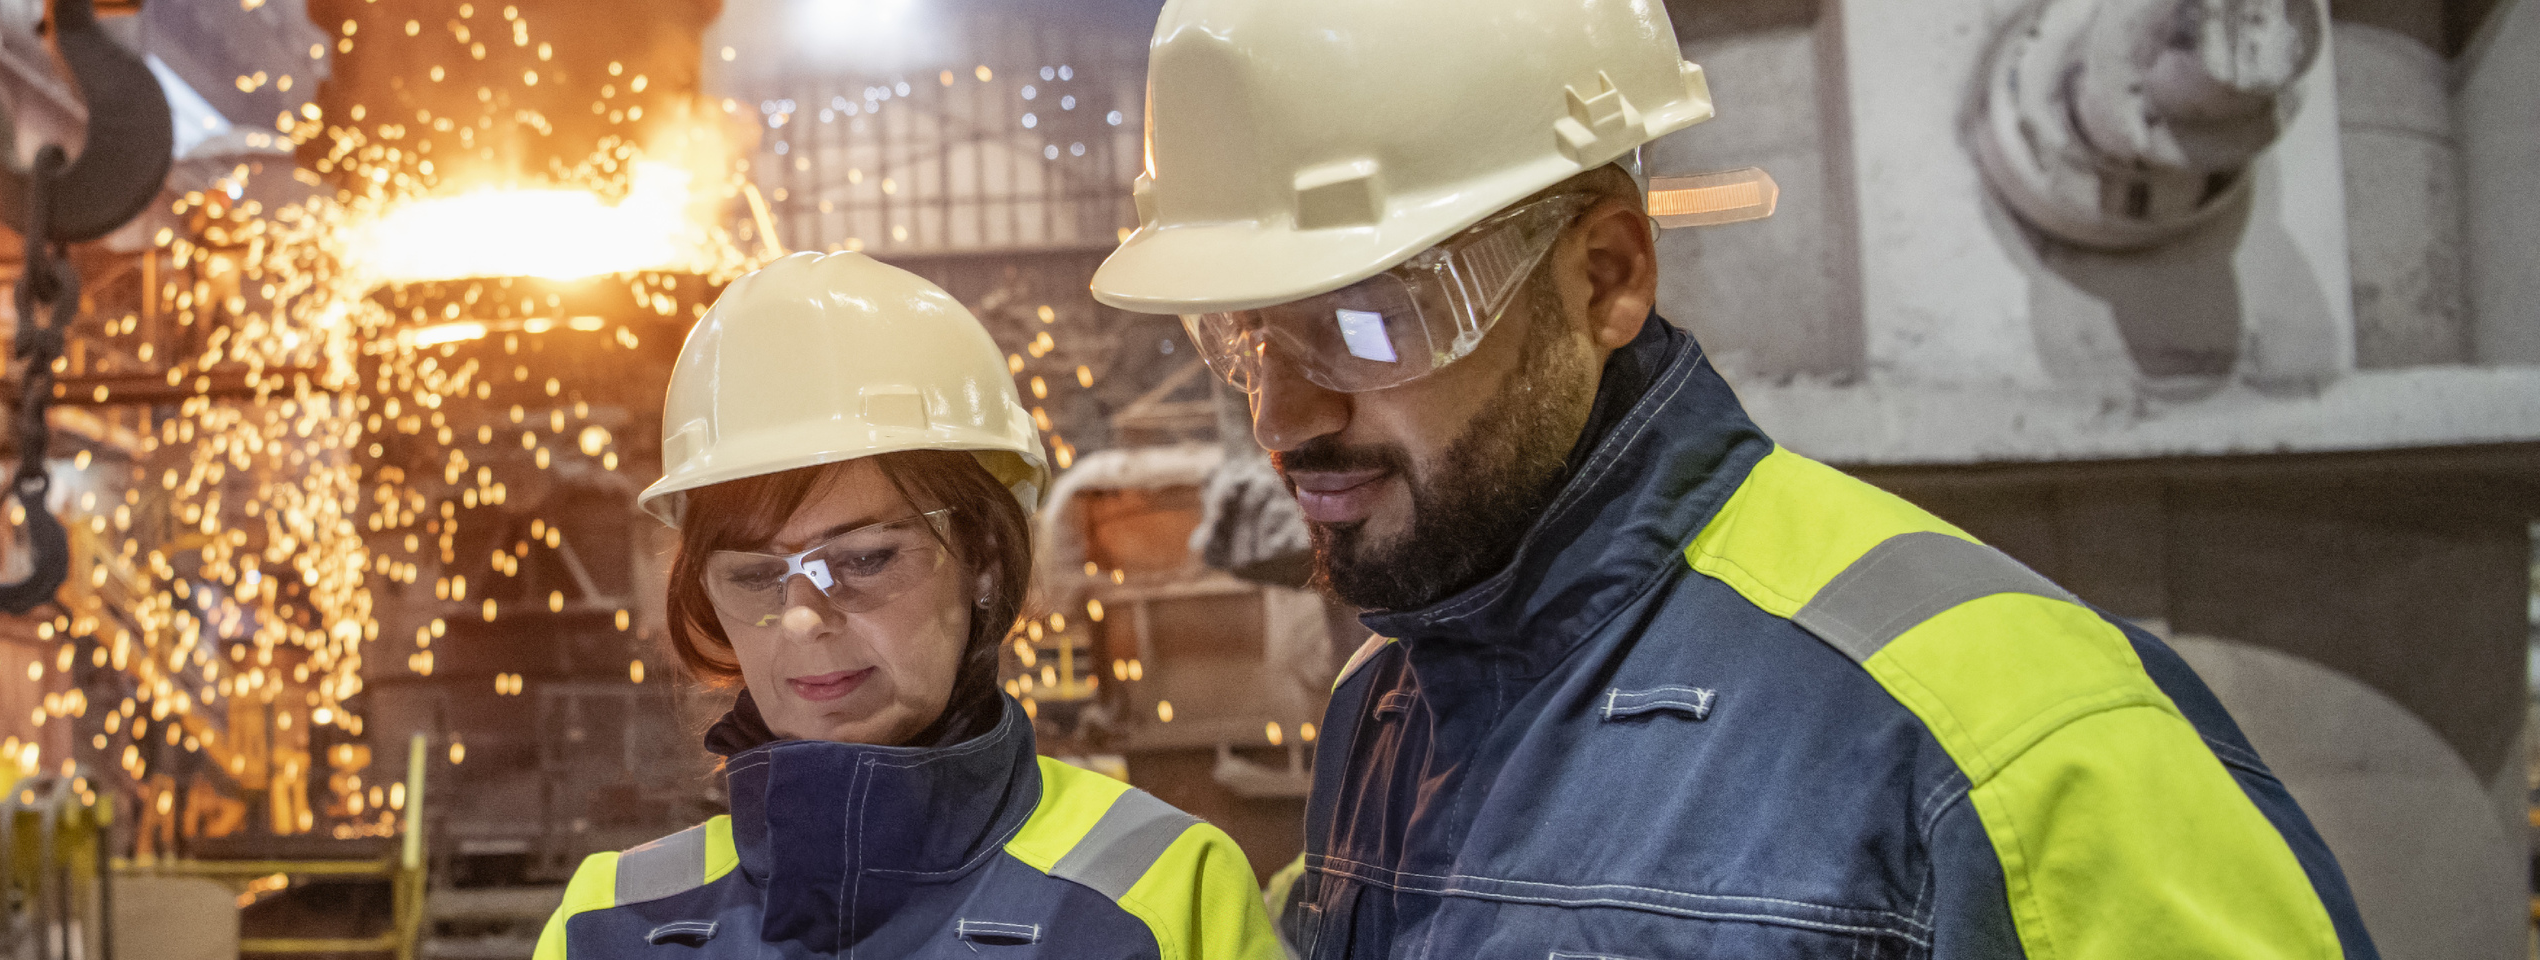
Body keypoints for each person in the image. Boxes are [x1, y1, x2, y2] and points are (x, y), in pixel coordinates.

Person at [1090, 0, 2378, 955]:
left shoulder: (2001, 741)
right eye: (1242, 335)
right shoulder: (1393, 700)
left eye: (1370, 322)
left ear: (1604, 278)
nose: (1281, 414)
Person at [533, 252, 1267, 959]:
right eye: (756, 577)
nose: (801, 618)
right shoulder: (610, 925)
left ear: (983, 556)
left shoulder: (1160, 896)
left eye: (862, 559)